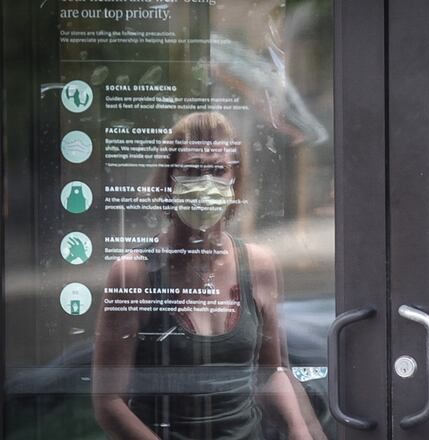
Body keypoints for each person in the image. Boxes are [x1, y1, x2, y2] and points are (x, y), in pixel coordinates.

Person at [92, 112, 323, 439]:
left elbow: (272, 371)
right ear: (169, 178)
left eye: (218, 170)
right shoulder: (134, 272)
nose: (206, 182)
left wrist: (301, 432)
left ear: (235, 179)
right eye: (192, 169)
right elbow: (108, 401)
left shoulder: (257, 265)